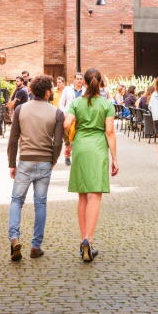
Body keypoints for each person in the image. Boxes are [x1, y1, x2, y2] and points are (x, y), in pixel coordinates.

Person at [6, 75, 65, 261]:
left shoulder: (21, 109)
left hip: (25, 161)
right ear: (48, 92)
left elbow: (13, 139)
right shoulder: (57, 113)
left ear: (31, 91)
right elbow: (57, 143)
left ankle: (14, 238)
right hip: (44, 162)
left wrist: (12, 164)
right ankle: (35, 246)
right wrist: (53, 160)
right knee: (40, 204)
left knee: (16, 200)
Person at [63, 68, 118, 262]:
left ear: (84, 83)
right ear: (100, 82)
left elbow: (66, 124)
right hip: (98, 148)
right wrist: (115, 158)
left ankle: (82, 239)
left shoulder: (76, 102)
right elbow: (109, 132)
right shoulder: (106, 104)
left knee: (82, 196)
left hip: (80, 147)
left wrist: (68, 143)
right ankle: (89, 240)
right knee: (95, 195)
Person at [58, 73, 85, 165]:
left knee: (78, 138)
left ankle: (78, 157)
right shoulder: (67, 89)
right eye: (77, 79)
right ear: (74, 80)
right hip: (69, 117)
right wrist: (64, 113)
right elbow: (61, 102)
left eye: (81, 79)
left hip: (80, 118)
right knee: (68, 140)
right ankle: (67, 156)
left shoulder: (85, 90)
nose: (79, 80)